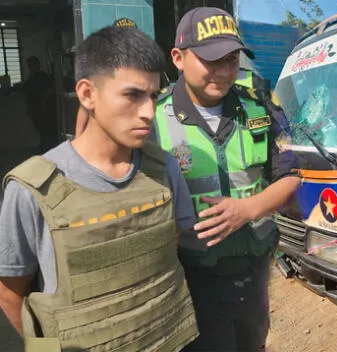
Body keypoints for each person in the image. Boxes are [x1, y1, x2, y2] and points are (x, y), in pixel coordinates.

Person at [0, 26, 199, 351]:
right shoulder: (32, 189)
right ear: (87, 94)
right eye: (132, 95)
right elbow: (9, 293)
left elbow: (168, 252)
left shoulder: (164, 168)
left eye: (153, 96)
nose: (148, 112)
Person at [153, 7, 300, 352]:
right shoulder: (153, 120)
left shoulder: (259, 107)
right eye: (211, 60)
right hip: (192, 277)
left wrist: (247, 210)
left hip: (253, 268)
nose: (223, 71)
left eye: (232, 60)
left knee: (252, 342)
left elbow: (292, 177)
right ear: (178, 57)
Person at [23, 56, 58, 152]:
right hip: (35, 109)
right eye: (29, 66)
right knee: (40, 129)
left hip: (45, 109)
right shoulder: (31, 79)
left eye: (32, 65)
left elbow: (51, 88)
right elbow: (28, 91)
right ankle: (44, 145)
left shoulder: (44, 77)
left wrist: (45, 100)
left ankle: (49, 147)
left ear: (37, 65)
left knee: (47, 129)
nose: (30, 67)